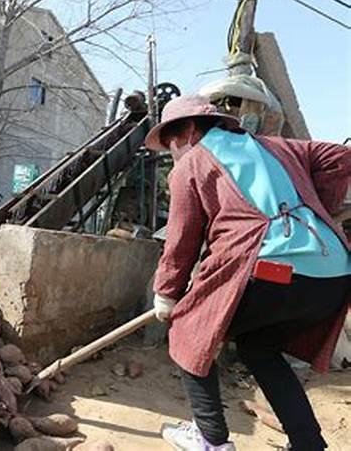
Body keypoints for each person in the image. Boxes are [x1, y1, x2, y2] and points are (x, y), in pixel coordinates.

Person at [146, 95, 350, 451]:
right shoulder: (279, 148)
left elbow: (181, 241)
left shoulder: (192, 163)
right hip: (335, 274)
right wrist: (316, 206)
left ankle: (211, 440)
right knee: (260, 347)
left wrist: (166, 295)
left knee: (188, 327)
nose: (173, 153)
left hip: (274, 269)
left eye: (172, 142)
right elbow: (341, 157)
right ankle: (308, 445)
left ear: (191, 130)